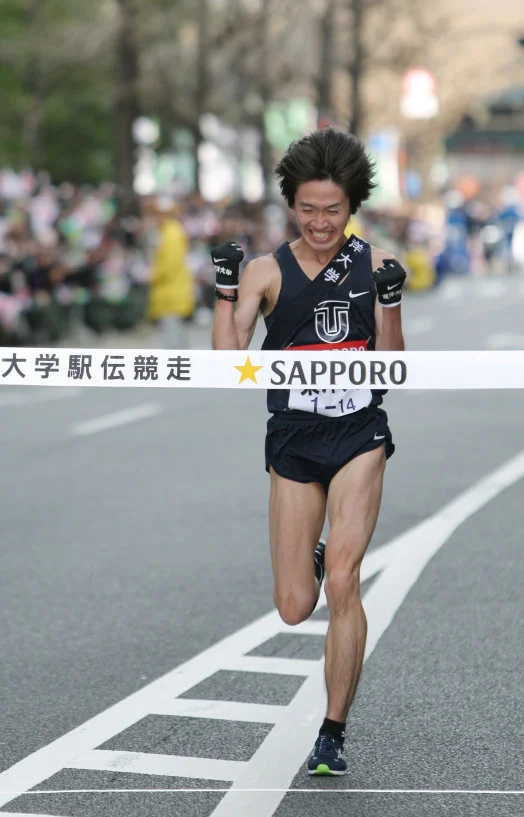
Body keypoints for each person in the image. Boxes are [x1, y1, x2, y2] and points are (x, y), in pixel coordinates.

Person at [211, 127, 406, 776]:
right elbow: (225, 364)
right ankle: (319, 555)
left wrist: (392, 304)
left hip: (358, 434)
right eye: (309, 208)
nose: (322, 222)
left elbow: (394, 368)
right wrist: (225, 291)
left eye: (335, 210)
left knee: (346, 580)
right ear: (291, 205)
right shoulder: (268, 271)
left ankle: (332, 729)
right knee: (295, 604)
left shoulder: (374, 264)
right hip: (293, 438)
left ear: (353, 207)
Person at [147, 197, 195, 348]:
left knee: (174, 343)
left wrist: (151, 275)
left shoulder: (171, 233)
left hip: (171, 293)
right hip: (170, 291)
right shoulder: (169, 231)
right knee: (175, 337)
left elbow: (169, 265)